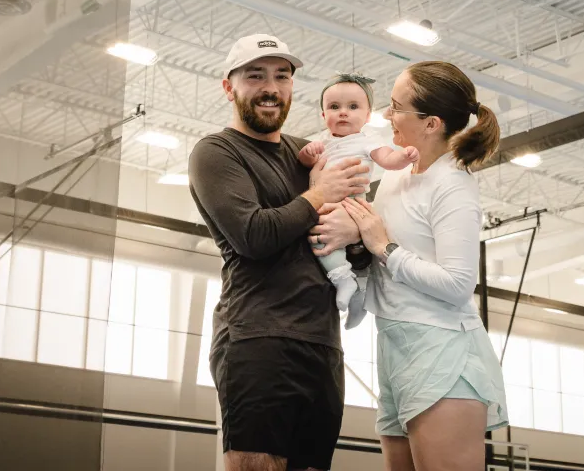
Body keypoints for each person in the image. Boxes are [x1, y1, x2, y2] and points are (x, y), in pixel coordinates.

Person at [188, 34, 370, 471]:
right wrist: (319, 194)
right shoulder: (216, 152)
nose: (271, 88)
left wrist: (355, 233)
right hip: (258, 339)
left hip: (323, 344)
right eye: (256, 76)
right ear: (229, 87)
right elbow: (253, 236)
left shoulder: (310, 154)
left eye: (282, 77)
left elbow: (358, 253)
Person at [338, 61, 509, 471]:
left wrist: (384, 247)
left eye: (397, 107)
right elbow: (379, 252)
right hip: (395, 344)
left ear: (432, 124)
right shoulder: (397, 176)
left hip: (443, 351)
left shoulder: (453, 184)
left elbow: (457, 284)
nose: (386, 115)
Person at [298, 73, 419, 326]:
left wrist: (404, 157)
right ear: (323, 115)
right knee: (320, 239)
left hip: (353, 203)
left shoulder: (367, 141)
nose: (343, 112)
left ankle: (351, 284)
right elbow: (305, 162)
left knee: (337, 243)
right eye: (334, 107)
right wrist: (308, 153)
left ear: (367, 116)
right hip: (326, 203)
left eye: (353, 107)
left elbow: (387, 159)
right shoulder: (323, 141)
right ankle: (351, 286)